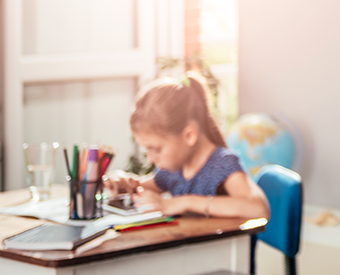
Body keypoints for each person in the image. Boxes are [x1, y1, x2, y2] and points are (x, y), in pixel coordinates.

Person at [105, 74, 269, 219]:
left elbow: (258, 208)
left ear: (189, 135)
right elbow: (140, 187)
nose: (151, 158)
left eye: (156, 149)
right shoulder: (174, 169)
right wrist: (123, 182)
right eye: (147, 149)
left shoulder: (222, 164)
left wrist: (183, 203)